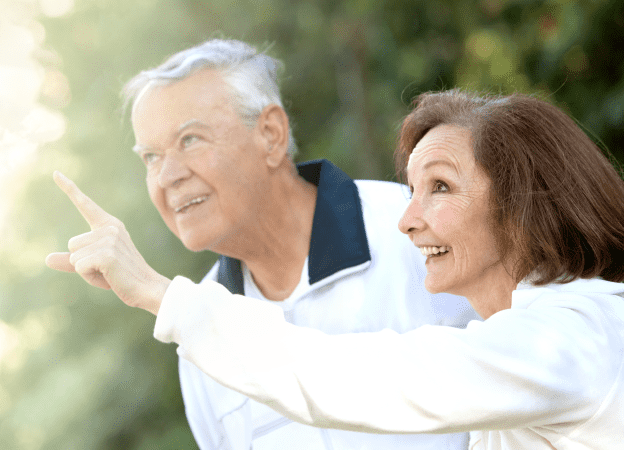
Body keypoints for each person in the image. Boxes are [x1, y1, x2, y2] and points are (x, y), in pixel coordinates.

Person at [47, 89, 624, 449]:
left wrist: (156, 294)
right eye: (411, 189)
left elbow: (367, 378)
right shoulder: (540, 340)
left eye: (440, 187)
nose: (407, 220)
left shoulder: (572, 338)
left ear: (520, 202)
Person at [46, 39, 478, 449]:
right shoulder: (198, 344)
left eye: (189, 140)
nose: (167, 176)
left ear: (270, 134)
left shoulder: (416, 234)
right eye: (151, 157)